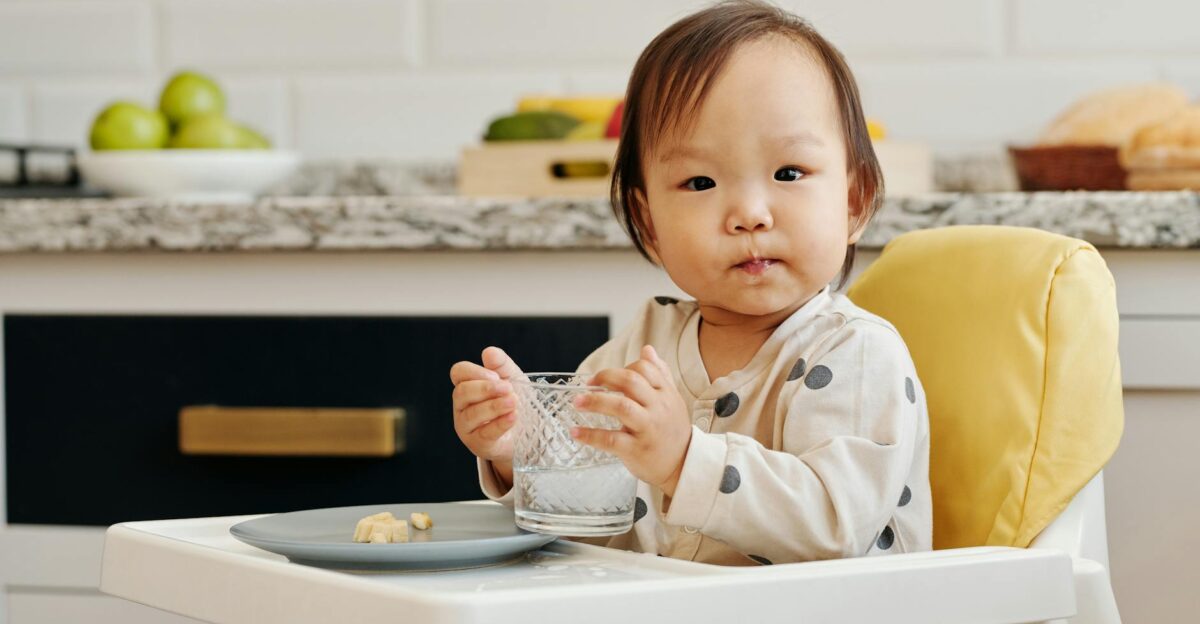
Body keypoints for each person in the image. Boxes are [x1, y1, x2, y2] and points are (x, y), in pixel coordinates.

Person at [449, 0, 930, 565]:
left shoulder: (857, 353)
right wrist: (519, 453)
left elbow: (833, 525)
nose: (749, 213)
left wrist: (683, 461)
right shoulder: (641, 346)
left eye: (789, 173)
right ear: (649, 223)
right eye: (700, 181)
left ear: (854, 201)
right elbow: (589, 529)